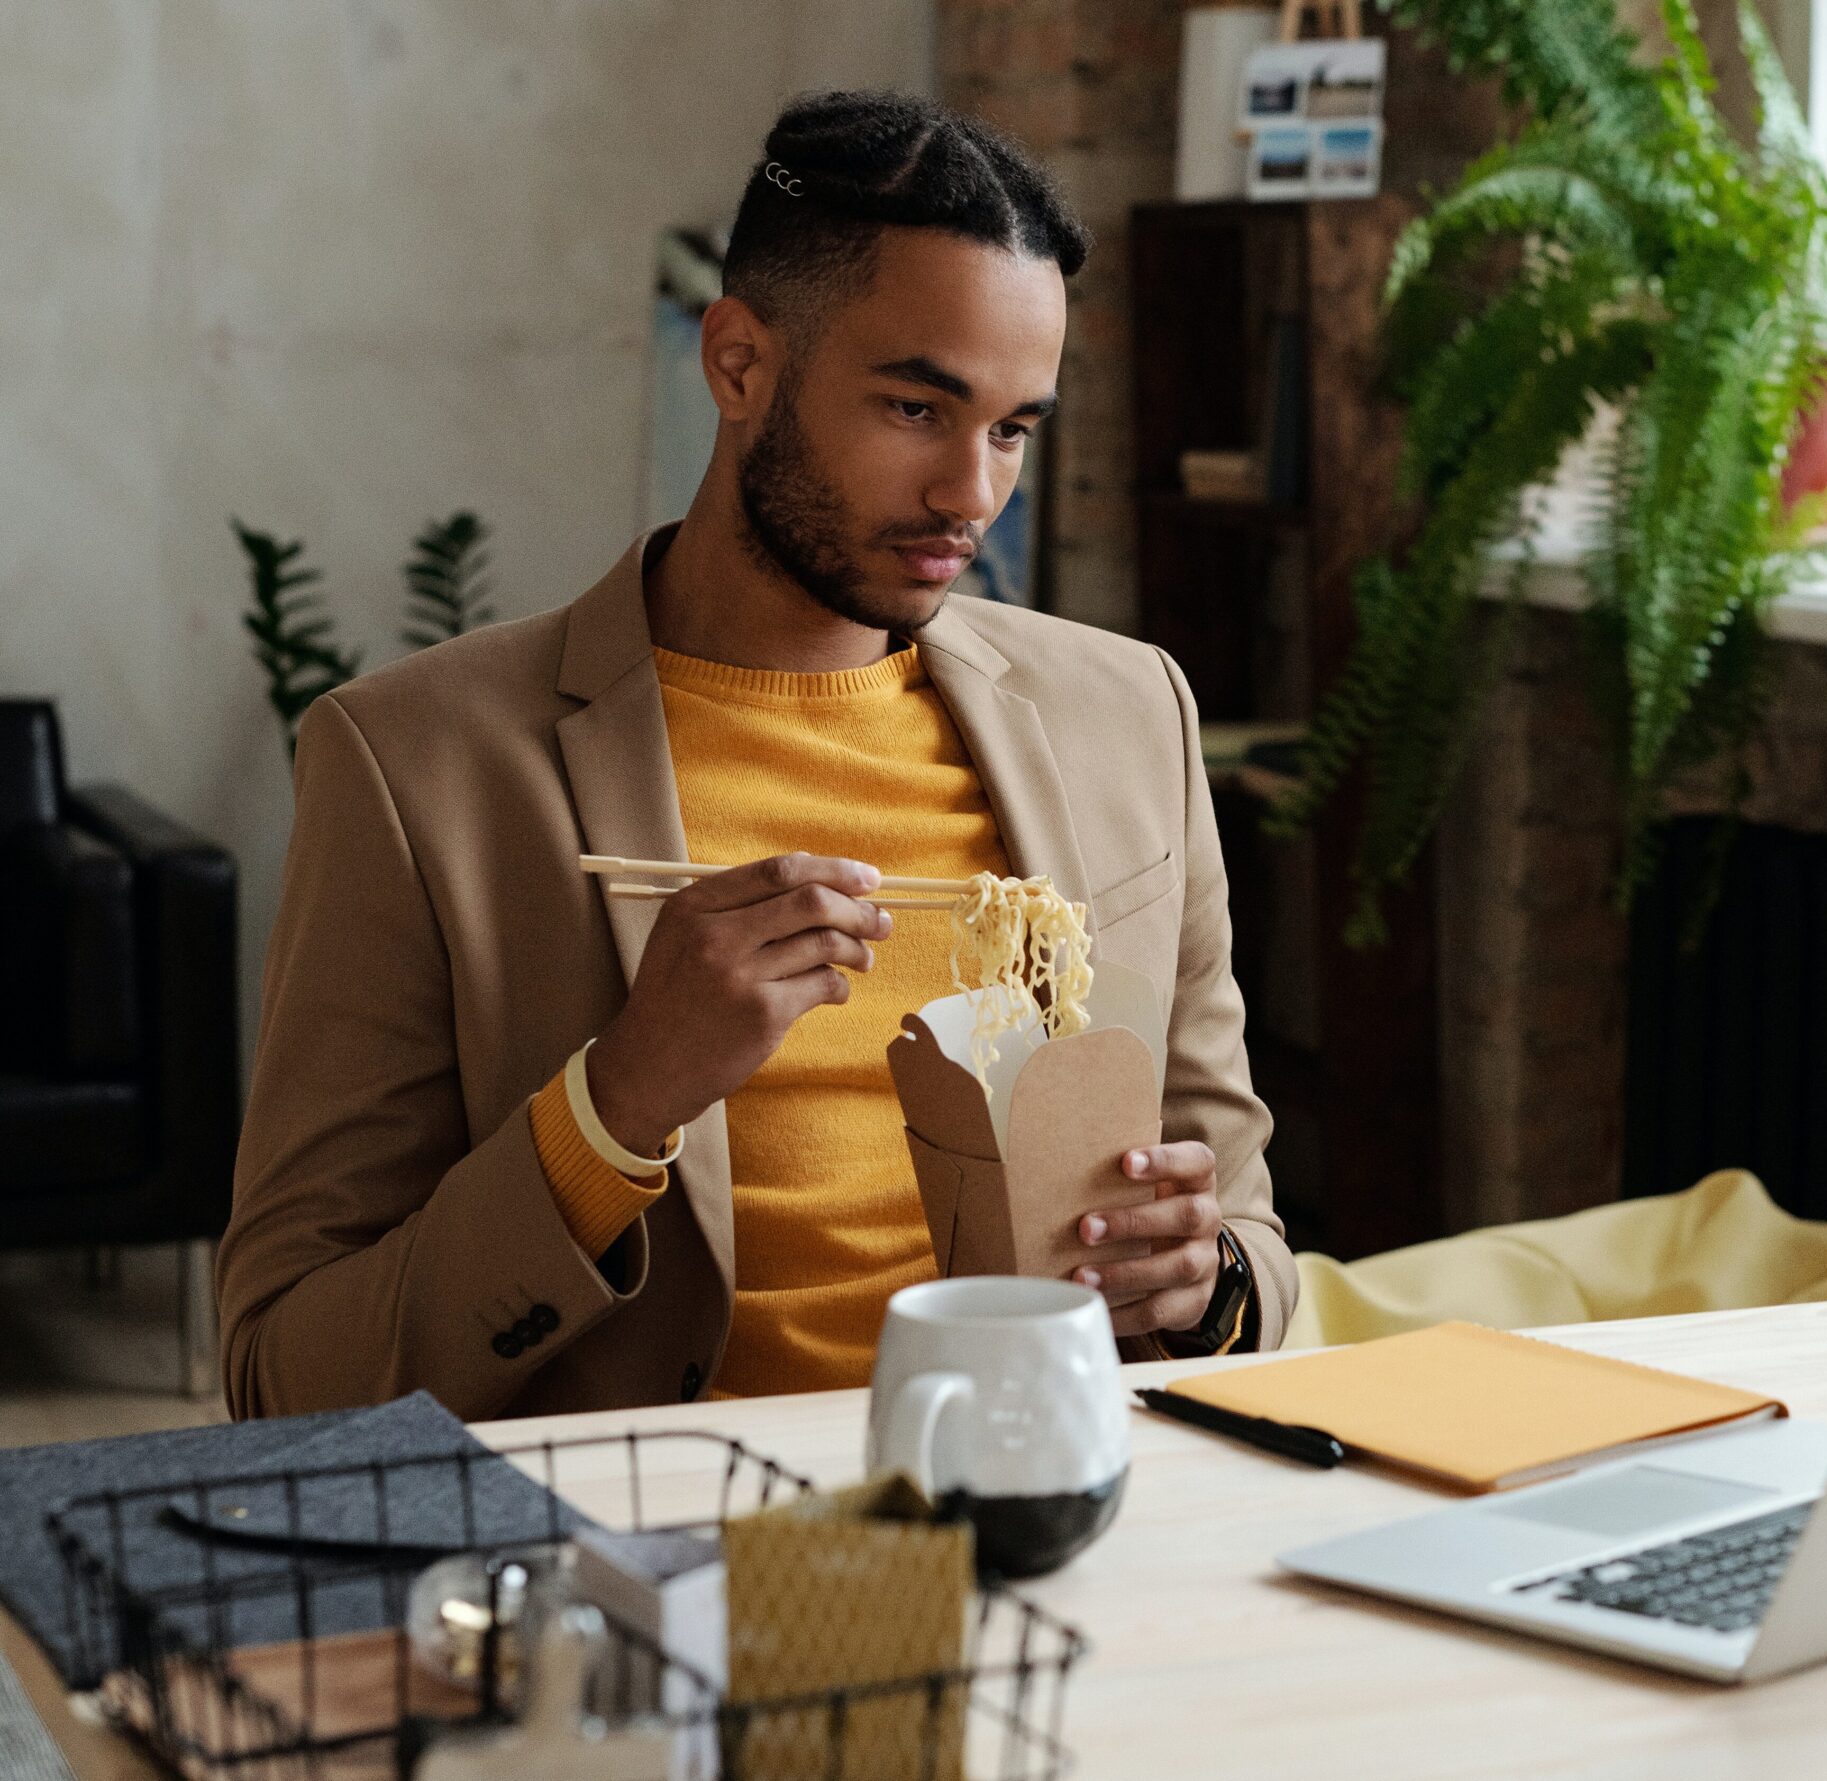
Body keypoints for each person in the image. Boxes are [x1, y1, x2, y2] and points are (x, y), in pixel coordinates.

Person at [219, 91, 1292, 1420]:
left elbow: (1248, 1238)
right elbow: (283, 1374)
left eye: (1014, 428)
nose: (974, 493)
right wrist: (618, 1100)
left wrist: (1209, 1282)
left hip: (1056, 1514)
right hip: (665, 1544)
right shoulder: (415, 768)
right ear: (738, 364)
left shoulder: (1133, 716)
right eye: (916, 407)